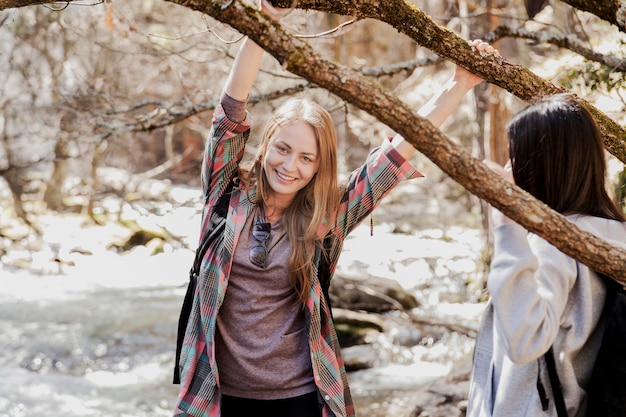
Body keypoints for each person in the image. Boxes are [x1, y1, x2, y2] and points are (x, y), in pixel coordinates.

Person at [173, 1, 493, 416]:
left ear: (320, 165)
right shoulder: (225, 193)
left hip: (302, 398)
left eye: (307, 158)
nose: (290, 166)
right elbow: (230, 111)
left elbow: (395, 154)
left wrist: (459, 85)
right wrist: (262, 25)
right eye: (283, 149)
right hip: (216, 396)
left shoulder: (328, 214)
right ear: (266, 143)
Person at [467, 94, 626, 416]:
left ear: (541, 166)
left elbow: (524, 340)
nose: (510, 169)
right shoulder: (613, 232)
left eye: (516, 158)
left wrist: (506, 220)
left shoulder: (555, 245)